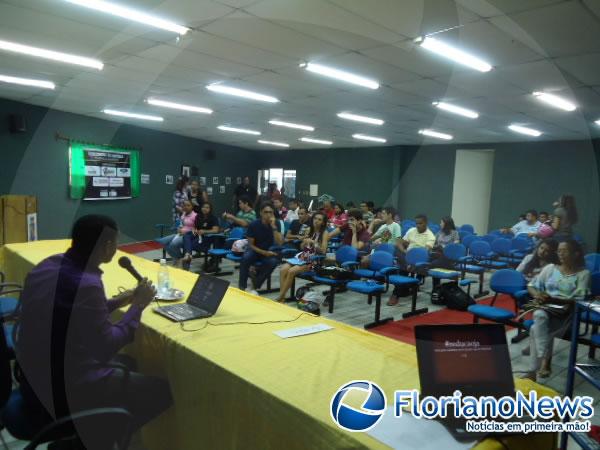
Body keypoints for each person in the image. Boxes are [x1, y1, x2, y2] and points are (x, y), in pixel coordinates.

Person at [16, 215, 172, 449]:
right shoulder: (87, 284)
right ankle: (92, 440)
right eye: (115, 243)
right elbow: (105, 346)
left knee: (129, 363)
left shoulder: (49, 264)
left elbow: (68, 312)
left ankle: (89, 434)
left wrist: (115, 302)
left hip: (33, 373)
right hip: (65, 384)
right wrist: (137, 306)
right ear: (107, 246)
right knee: (162, 393)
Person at [524, 240, 590, 381]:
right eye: (559, 250)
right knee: (539, 315)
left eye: (564, 251)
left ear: (575, 253)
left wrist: (553, 299)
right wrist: (538, 295)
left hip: (567, 315)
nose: (560, 253)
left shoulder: (583, 274)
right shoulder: (550, 268)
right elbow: (531, 285)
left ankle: (535, 369)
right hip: (547, 311)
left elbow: (580, 299)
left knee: (536, 327)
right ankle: (542, 361)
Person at [276, 212, 329, 302]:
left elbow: (323, 251)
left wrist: (314, 243)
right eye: (315, 218)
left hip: (314, 260)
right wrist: (304, 242)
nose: (316, 221)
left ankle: (280, 297)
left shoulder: (324, 233)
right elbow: (302, 247)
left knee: (291, 271)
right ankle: (282, 297)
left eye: (319, 220)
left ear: (323, 223)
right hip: (303, 256)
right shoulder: (309, 230)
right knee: (283, 269)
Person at [389, 214, 435, 306]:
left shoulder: (430, 236)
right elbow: (401, 242)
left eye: (420, 223)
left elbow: (425, 254)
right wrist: (404, 250)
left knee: (403, 269)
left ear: (426, 223)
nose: (418, 225)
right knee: (396, 249)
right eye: (416, 223)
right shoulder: (412, 230)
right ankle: (405, 285)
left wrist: (411, 259)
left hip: (419, 260)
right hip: (407, 256)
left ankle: (395, 294)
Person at [239, 202, 284, 293]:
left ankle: (255, 285)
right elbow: (251, 245)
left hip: (269, 250)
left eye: (270, 212)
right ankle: (242, 287)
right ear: (261, 213)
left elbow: (280, 243)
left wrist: (274, 227)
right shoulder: (254, 224)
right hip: (255, 249)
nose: (268, 215)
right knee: (245, 258)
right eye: (266, 212)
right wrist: (264, 253)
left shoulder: (276, 224)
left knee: (273, 262)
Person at [181, 202, 220, 269]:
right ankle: (188, 256)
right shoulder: (199, 216)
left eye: (207, 207)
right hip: (197, 235)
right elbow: (195, 227)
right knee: (186, 235)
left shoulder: (213, 218)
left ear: (210, 209)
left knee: (188, 245)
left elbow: (216, 230)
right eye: (203, 207)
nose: (204, 209)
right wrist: (194, 230)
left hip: (207, 237)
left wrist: (204, 231)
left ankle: (186, 264)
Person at [164, 200, 197, 265]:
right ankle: (178, 257)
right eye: (185, 205)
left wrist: (186, 232)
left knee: (173, 244)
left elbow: (196, 230)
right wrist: (179, 228)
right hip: (180, 234)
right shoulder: (183, 214)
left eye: (188, 205)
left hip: (188, 236)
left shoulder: (195, 216)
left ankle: (179, 259)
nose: (186, 207)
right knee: (165, 244)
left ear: (192, 206)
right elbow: (181, 224)